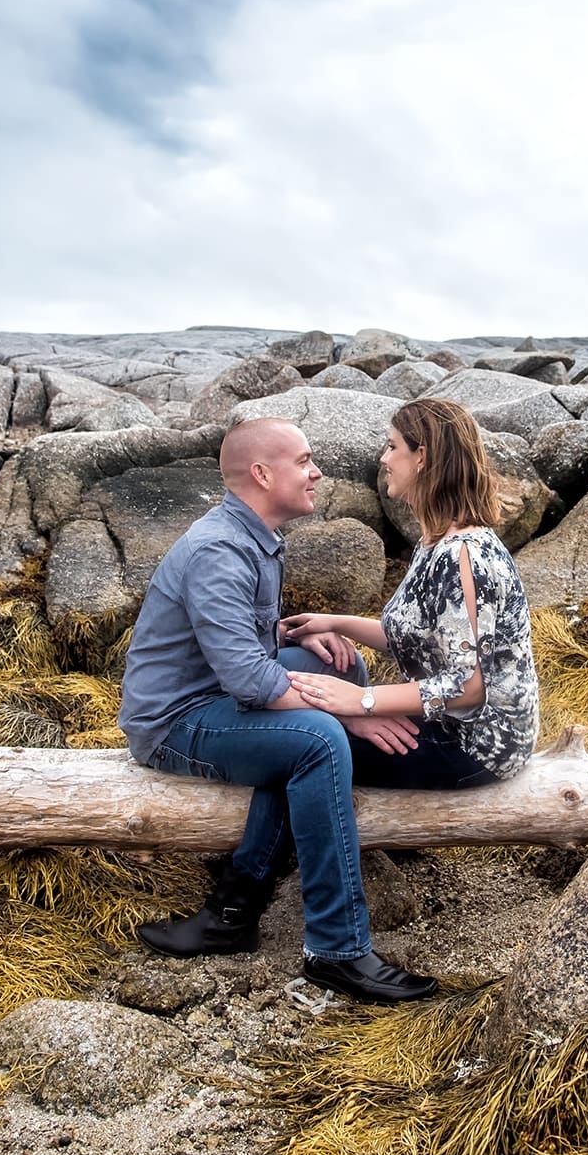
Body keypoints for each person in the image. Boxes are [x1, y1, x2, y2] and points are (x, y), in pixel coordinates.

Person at [118, 416, 438, 1006]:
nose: (317, 472)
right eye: (304, 461)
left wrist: (294, 639)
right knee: (318, 738)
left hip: (216, 695)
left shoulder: (255, 536)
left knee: (341, 668)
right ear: (262, 474)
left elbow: (238, 647)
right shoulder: (218, 549)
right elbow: (245, 678)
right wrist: (354, 714)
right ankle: (338, 951)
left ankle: (233, 911)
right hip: (174, 722)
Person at [281, 397, 540, 794]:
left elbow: (468, 686)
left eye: (392, 446)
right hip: (447, 723)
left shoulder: (463, 555)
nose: (384, 459)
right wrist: (333, 622)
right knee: (305, 732)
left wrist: (362, 700)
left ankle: (262, 859)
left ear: (423, 457)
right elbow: (419, 638)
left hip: (474, 745)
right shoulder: (435, 541)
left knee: (304, 745)